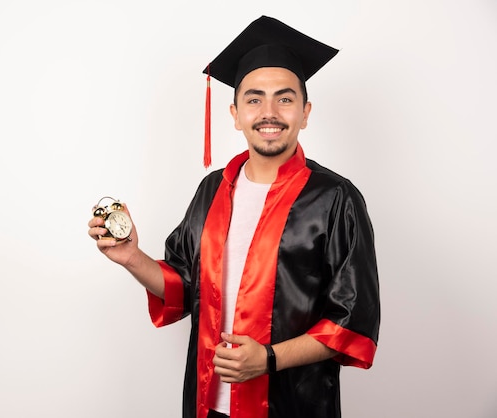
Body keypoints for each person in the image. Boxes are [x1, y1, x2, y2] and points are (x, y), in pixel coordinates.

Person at [88, 15, 380, 418]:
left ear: (306, 112)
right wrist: (131, 257)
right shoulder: (212, 190)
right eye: (254, 98)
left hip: (292, 405)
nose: (269, 112)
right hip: (209, 404)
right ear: (235, 112)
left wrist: (270, 359)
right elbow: (183, 286)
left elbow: (351, 320)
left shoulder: (335, 198)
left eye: (285, 98)